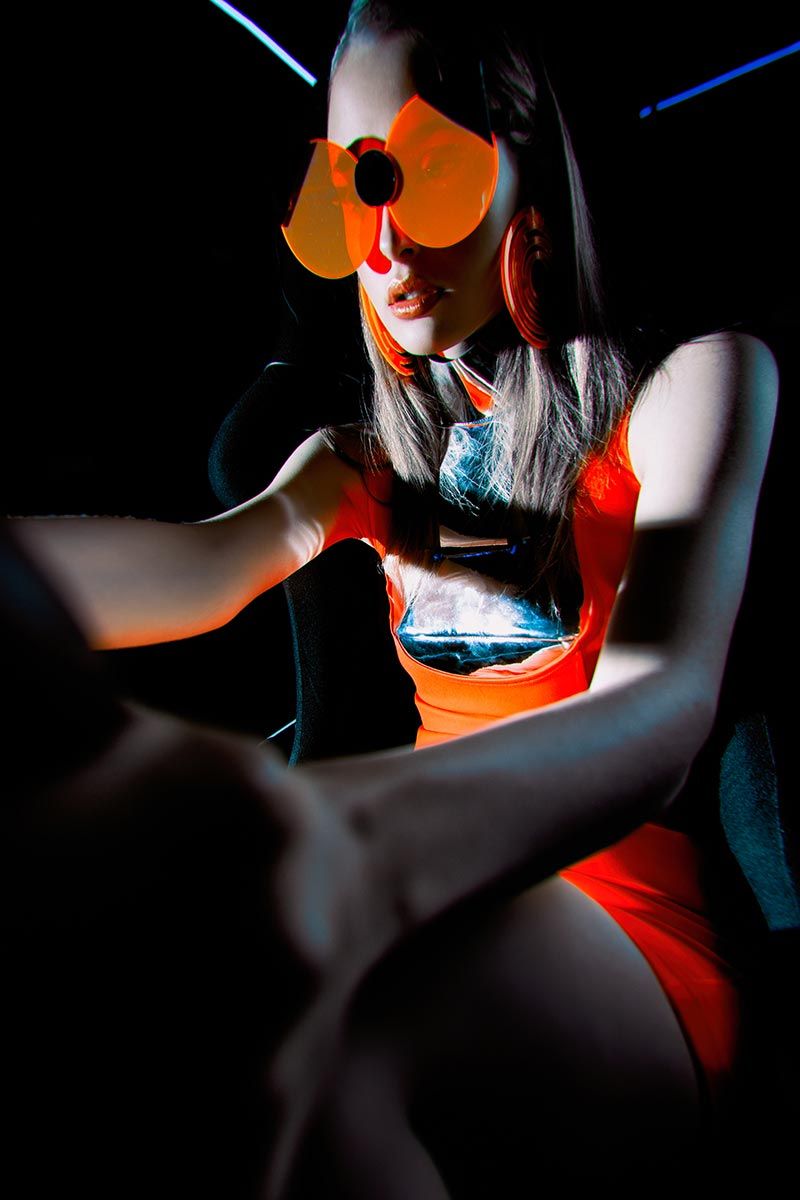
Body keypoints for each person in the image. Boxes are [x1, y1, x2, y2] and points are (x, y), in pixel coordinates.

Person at [12, 2, 780, 1196]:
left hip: (628, 939)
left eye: (424, 175)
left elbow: (658, 717)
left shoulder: (694, 386)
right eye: (346, 191)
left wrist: (344, 843)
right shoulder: (370, 458)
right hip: (418, 897)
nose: (382, 244)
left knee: (326, 1014)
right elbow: (210, 565)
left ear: (528, 169)